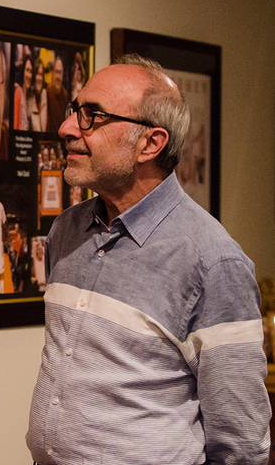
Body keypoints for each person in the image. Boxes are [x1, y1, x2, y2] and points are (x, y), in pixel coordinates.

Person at [26, 54, 270, 463]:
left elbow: (241, 443)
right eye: (75, 111)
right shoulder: (65, 231)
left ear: (150, 144)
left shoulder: (213, 263)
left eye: (92, 115)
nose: (67, 128)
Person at [45, 55, 69, 136]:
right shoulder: (48, 91)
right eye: (56, 72)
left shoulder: (65, 95)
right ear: (53, 73)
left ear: (62, 75)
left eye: (60, 72)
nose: (58, 76)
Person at [28, 56, 48, 132]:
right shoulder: (29, 97)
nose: (39, 78)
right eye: (37, 74)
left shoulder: (45, 95)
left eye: (41, 74)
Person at [13, 53, 32, 131]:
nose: (29, 75)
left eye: (31, 71)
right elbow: (15, 124)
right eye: (27, 70)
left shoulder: (29, 96)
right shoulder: (18, 91)